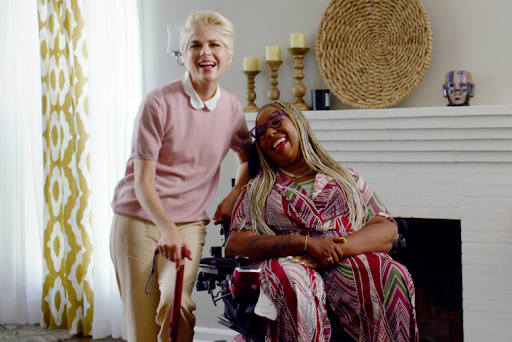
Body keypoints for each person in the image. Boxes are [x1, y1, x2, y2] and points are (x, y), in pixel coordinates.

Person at [110, 11, 252, 342]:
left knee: (178, 305)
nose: (205, 52)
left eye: (214, 45)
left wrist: (232, 197)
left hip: (188, 225)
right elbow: (142, 181)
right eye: (195, 45)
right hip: (139, 220)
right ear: (184, 55)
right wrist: (165, 228)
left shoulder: (231, 109)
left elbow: (246, 159)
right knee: (143, 329)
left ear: (228, 57)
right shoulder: (158, 102)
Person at [225, 101, 419, 342]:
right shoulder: (257, 191)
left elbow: (387, 228)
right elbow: (235, 244)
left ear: (299, 123)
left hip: (346, 257)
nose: (270, 133)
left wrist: (333, 249)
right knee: (292, 280)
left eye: (276, 122)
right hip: (292, 263)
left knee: (388, 271)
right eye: (261, 134)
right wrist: (304, 243)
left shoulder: (346, 178)